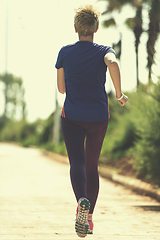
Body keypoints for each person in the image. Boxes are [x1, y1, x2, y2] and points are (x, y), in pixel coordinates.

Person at [55, 5, 128, 238]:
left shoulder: (64, 52)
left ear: (75, 28)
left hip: (73, 116)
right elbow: (113, 63)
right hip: (98, 116)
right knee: (91, 166)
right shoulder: (104, 51)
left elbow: (61, 89)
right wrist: (119, 94)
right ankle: (89, 218)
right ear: (96, 28)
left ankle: (81, 201)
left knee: (77, 163)